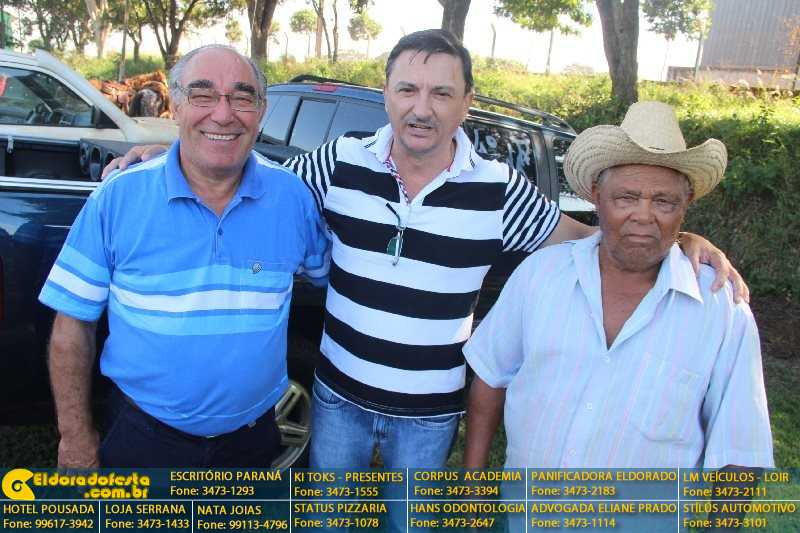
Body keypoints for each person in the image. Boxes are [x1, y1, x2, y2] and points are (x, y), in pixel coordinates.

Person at [104, 31, 745, 473]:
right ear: (386, 93)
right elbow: (254, 181)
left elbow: (593, 238)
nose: (422, 107)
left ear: (466, 103)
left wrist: (679, 239)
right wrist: (178, 155)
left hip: (432, 416)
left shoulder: (499, 190)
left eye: (441, 93)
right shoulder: (338, 162)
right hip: (336, 399)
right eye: (408, 89)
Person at [39, 44, 330, 468]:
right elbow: (71, 327)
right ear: (175, 106)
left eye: (242, 97)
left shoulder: (292, 199)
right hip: (142, 439)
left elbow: (337, 280)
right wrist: (75, 436)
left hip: (253, 442)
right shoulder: (119, 197)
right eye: (203, 95)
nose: (223, 114)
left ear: (261, 110)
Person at [462, 100, 773, 470]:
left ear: (686, 204)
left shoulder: (721, 308)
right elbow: (490, 378)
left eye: (664, 201)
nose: (643, 215)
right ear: (597, 197)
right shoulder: (539, 275)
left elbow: (741, 453)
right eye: (627, 197)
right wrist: (473, 488)